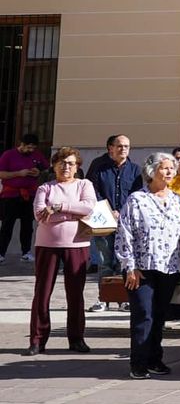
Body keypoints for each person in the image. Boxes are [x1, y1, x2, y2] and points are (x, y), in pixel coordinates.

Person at [115, 151, 180, 378]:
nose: (169, 172)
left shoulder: (177, 200)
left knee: (159, 315)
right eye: (164, 167)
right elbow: (125, 234)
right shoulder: (137, 199)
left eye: (171, 168)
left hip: (169, 266)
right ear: (151, 171)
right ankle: (138, 362)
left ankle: (155, 358)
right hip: (142, 267)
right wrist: (130, 266)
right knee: (143, 314)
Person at [26, 146, 96, 355]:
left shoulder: (84, 184)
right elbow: (39, 214)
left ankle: (76, 338)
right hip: (47, 244)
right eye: (62, 163)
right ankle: (37, 340)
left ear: (77, 167)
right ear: (54, 166)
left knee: (75, 293)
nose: (66, 167)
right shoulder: (45, 188)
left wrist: (58, 208)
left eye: (71, 163)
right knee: (42, 292)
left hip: (77, 244)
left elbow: (88, 208)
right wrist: (72, 212)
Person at [86, 133, 141, 305]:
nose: (123, 149)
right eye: (119, 146)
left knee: (122, 260)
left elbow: (137, 195)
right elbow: (92, 190)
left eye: (126, 146)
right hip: (103, 219)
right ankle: (104, 298)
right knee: (104, 260)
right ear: (110, 148)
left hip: (126, 222)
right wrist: (108, 210)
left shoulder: (135, 169)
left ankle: (122, 298)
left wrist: (122, 211)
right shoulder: (99, 166)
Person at [0, 133, 45, 263]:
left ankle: (26, 252)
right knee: (7, 225)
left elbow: (45, 167)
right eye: (28, 147)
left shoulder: (36, 155)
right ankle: (1, 252)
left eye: (33, 148)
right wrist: (18, 173)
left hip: (29, 195)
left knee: (27, 225)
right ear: (22, 144)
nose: (30, 150)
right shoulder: (8, 155)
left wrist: (38, 171)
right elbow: (1, 173)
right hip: (11, 195)